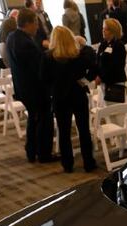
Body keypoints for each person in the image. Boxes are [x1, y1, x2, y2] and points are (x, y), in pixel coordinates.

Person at [40, 26, 98, 173]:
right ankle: (89, 162)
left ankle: (67, 164)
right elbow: (95, 68)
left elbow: (43, 79)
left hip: (60, 97)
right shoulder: (78, 55)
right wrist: (85, 80)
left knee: (64, 132)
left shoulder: (48, 57)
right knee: (84, 130)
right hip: (78, 94)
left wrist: (53, 88)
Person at [6, 7, 55, 163]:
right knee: (44, 120)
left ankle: (32, 150)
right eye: (35, 23)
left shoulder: (12, 37)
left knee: (34, 119)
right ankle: (44, 154)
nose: (37, 26)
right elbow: (38, 66)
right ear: (27, 23)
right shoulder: (24, 42)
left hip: (24, 87)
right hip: (34, 89)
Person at [96, 18, 127, 103]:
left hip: (115, 83)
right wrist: (97, 75)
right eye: (103, 28)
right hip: (104, 82)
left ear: (113, 31)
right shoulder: (103, 44)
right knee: (108, 109)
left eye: (105, 29)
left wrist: (101, 77)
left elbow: (117, 66)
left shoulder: (119, 45)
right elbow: (98, 62)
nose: (103, 31)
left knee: (115, 111)